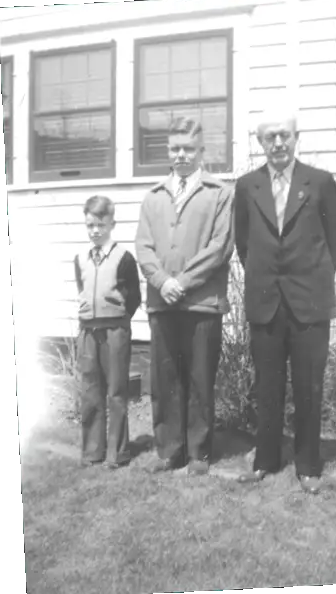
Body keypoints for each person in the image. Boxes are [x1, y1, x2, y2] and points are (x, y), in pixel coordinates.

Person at [234, 109, 336, 495]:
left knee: (309, 385)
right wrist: (267, 279)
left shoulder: (321, 182)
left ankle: (309, 465)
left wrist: (310, 280)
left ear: (297, 138)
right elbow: (243, 244)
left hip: (309, 302)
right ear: (260, 143)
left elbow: (334, 242)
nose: (278, 143)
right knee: (267, 384)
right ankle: (266, 459)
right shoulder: (247, 186)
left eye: (284, 136)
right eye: (269, 138)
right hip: (265, 301)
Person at [134, 117, 235, 475]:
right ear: (168, 150)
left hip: (202, 303)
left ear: (201, 150)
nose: (181, 155)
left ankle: (198, 453)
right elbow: (143, 247)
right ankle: (170, 450)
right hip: (162, 302)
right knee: (165, 379)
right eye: (175, 148)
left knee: (198, 378)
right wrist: (162, 281)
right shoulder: (154, 196)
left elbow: (220, 247)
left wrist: (183, 281)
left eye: (188, 148)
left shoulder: (219, 193)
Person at [74, 195, 142, 470]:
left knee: (116, 391)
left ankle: (117, 452)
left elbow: (133, 297)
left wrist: (119, 320)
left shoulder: (123, 258)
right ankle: (93, 451)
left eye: (101, 225)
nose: (95, 231)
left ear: (112, 224)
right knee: (90, 391)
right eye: (90, 225)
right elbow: (82, 289)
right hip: (88, 331)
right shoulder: (80, 258)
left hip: (114, 330)